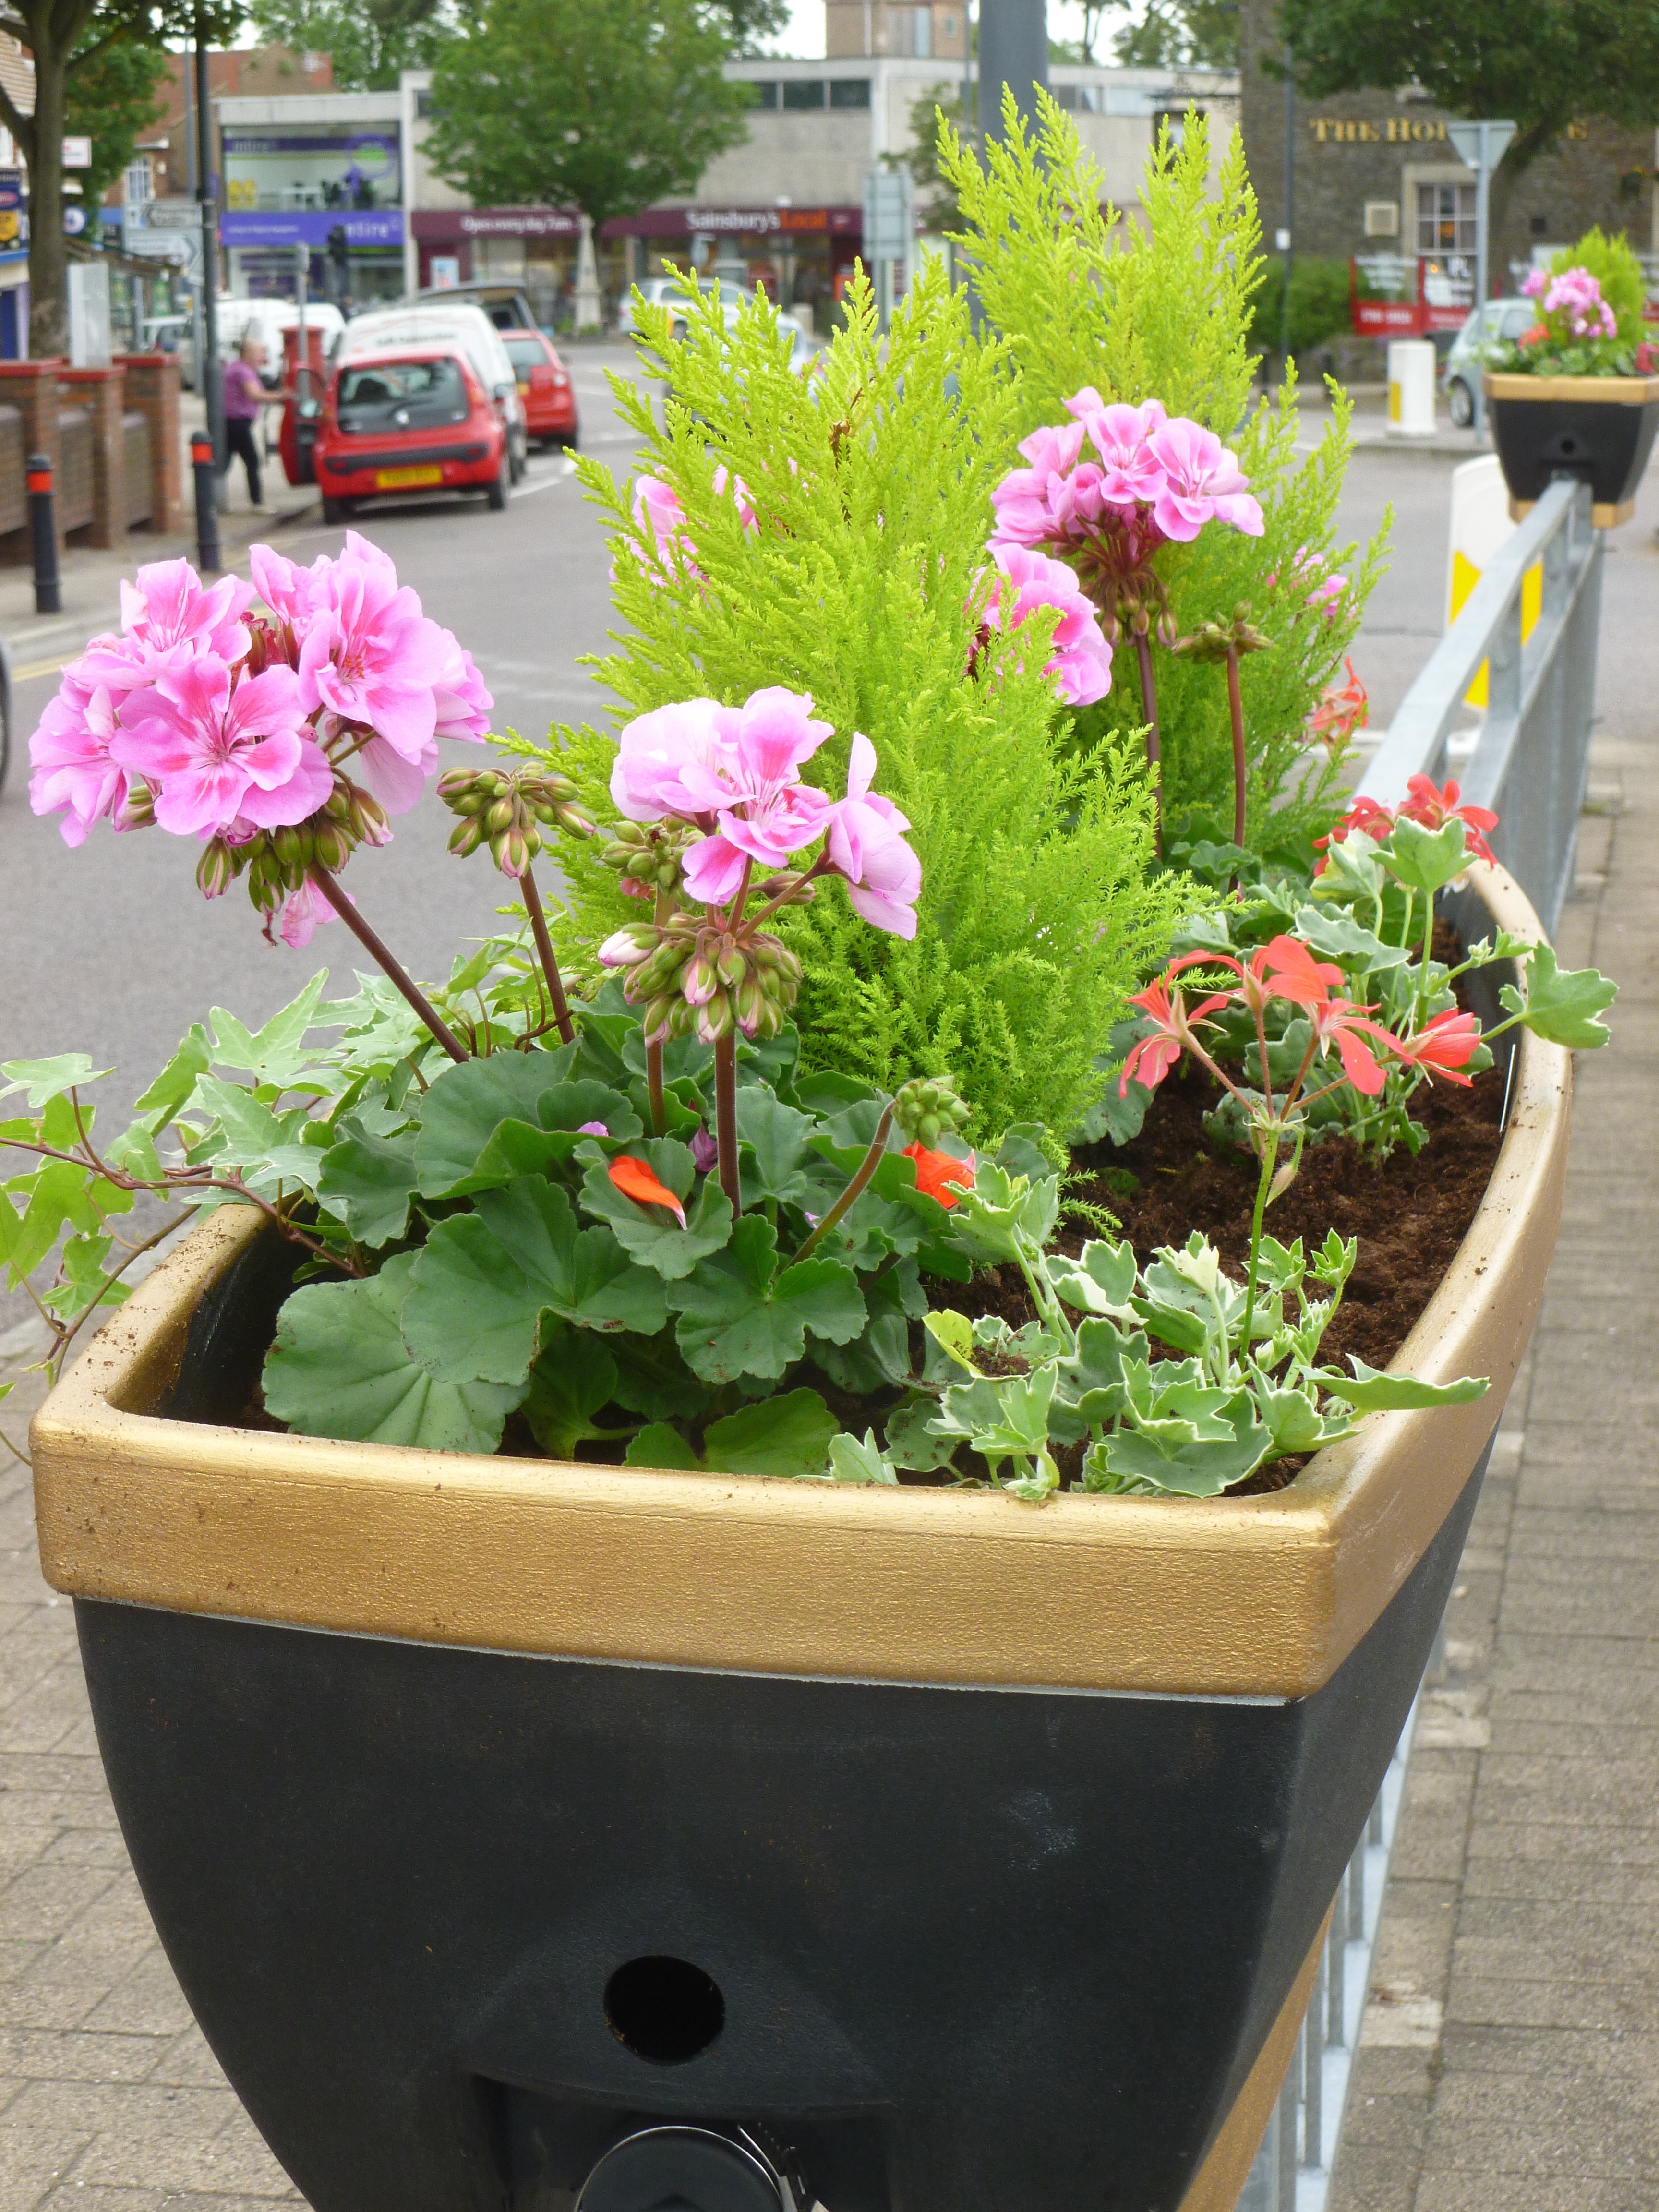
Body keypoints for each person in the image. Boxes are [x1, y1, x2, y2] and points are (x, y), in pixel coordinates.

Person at [221, 335, 268, 510]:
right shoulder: (242, 371)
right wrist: (281, 396)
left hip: (234, 423)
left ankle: (210, 501)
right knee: (252, 461)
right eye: (258, 354)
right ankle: (257, 503)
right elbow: (254, 395)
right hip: (237, 424)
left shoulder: (238, 369)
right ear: (247, 354)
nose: (261, 358)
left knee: (224, 462)